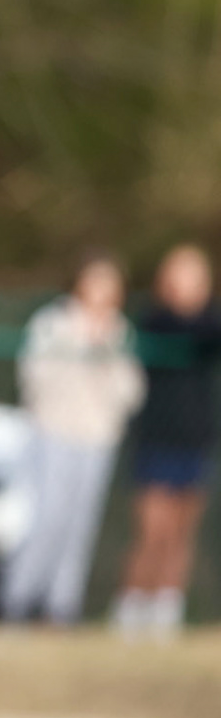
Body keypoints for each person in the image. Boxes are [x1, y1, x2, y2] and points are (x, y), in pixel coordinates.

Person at [0, 254, 145, 625]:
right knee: (46, 516)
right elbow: (35, 377)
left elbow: (130, 393)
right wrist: (81, 346)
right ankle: (16, 599)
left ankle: (61, 604)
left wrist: (106, 354)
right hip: (53, 432)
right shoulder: (52, 324)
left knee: (80, 522)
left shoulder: (120, 332)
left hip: (97, 439)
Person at [113, 245, 221, 639]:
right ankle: (131, 607)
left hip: (195, 441)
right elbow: (175, 330)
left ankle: (166, 610)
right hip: (155, 440)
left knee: (181, 533)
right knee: (152, 531)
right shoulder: (153, 322)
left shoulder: (211, 324)